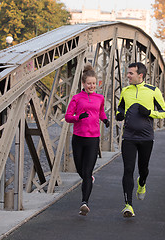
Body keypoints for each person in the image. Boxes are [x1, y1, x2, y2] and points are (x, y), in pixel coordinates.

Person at [116, 62, 165, 217]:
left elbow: (164, 112)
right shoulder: (125, 91)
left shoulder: (153, 91)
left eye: (131, 73)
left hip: (146, 137)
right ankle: (128, 206)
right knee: (128, 170)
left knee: (143, 169)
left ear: (140, 75)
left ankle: (142, 183)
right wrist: (119, 114)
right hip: (129, 137)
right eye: (128, 73)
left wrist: (150, 112)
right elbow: (121, 108)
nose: (128, 76)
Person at [65, 64, 109, 216]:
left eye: (94, 83)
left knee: (88, 170)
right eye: (89, 83)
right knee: (81, 170)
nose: (92, 86)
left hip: (93, 139)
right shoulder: (76, 98)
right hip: (78, 138)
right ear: (83, 84)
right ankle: (88, 179)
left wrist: (105, 120)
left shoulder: (100, 98)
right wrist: (78, 117)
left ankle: (84, 203)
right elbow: (68, 117)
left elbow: (101, 112)